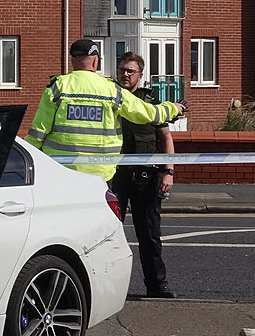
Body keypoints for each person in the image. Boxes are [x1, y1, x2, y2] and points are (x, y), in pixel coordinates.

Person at [25, 39, 185, 183]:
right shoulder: (111, 89)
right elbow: (145, 113)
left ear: (72, 60)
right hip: (100, 172)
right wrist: (173, 108)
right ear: (95, 62)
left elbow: (38, 133)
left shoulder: (58, 87)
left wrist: (17, 158)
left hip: (62, 170)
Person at [110, 52, 177, 299]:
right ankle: (107, 290)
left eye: (130, 71)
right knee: (108, 234)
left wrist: (168, 172)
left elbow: (165, 137)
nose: (124, 74)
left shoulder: (150, 100)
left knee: (149, 235)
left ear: (140, 74)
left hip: (145, 177)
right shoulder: (110, 97)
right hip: (114, 176)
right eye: (121, 70)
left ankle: (157, 286)